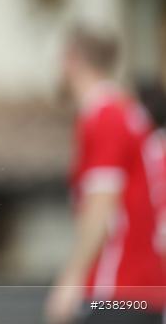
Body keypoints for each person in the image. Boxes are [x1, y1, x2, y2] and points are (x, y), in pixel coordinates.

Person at [45, 26, 166, 324]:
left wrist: (71, 279)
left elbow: (101, 205)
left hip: (117, 293)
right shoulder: (128, 112)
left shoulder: (106, 116)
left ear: (72, 60)